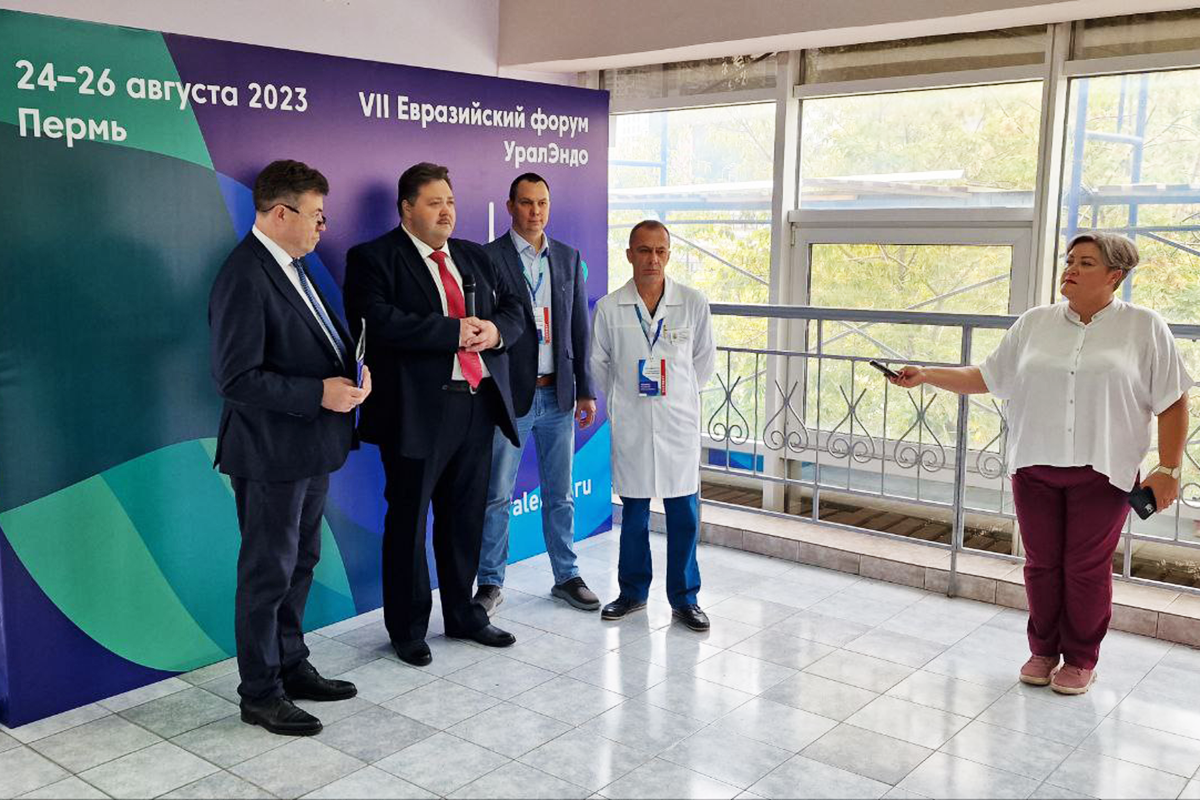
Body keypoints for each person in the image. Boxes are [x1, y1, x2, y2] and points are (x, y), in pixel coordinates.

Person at [890, 232, 1191, 695]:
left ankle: (1082, 658)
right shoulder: (1034, 323)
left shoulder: (1144, 326)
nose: (1070, 269)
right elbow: (988, 377)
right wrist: (927, 374)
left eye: (1085, 263)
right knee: (1041, 564)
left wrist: (1168, 469)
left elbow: (1173, 400)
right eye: (1069, 260)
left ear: (1115, 275)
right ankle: (1044, 650)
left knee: (1085, 568)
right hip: (1034, 463)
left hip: (1104, 469)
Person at [209, 160, 369, 736]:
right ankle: (260, 693)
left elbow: (316, 345)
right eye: (317, 216)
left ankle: (291, 664)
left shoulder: (294, 267)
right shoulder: (244, 275)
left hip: (310, 447)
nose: (323, 226)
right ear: (281, 213)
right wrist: (319, 393)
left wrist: (353, 375)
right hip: (269, 454)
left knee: (301, 562)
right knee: (267, 573)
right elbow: (236, 379)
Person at [343, 162, 523, 667]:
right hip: (416, 413)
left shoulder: (473, 256)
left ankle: (464, 615)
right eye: (434, 203)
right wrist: (451, 332)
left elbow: (515, 306)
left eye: (450, 202)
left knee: (463, 518)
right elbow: (375, 322)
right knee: (408, 521)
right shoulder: (374, 258)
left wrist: (495, 332)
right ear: (407, 208)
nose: (446, 212)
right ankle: (407, 628)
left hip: (475, 404)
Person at [475, 173, 599, 614]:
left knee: (561, 494)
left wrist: (586, 390)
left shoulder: (567, 257)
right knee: (497, 496)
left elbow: (578, 327)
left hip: (559, 396)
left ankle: (566, 575)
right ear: (510, 206)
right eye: (526, 203)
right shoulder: (488, 258)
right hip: (511, 398)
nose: (535, 211)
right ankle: (490, 583)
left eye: (542, 202)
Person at [590, 220, 717, 631]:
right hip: (633, 424)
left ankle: (685, 599)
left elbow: (703, 362)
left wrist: (675, 396)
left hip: (678, 424)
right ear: (629, 254)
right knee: (635, 516)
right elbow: (599, 364)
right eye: (644, 250)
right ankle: (632, 593)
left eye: (660, 251)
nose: (653, 259)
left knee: (684, 516)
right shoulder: (610, 307)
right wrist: (626, 401)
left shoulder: (692, 302)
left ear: (669, 255)